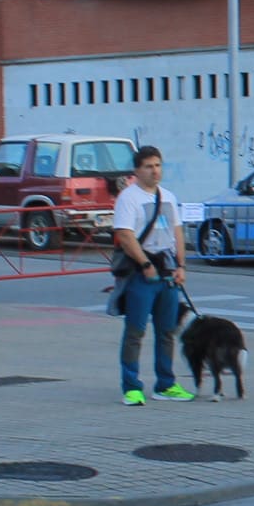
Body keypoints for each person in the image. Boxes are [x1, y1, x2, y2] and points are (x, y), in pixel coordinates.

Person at [110, 145, 194, 406]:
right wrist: (145, 264)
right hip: (142, 274)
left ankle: (166, 384)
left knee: (167, 331)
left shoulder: (168, 196)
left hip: (167, 273)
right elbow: (125, 235)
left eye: (158, 165)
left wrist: (181, 266)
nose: (155, 171)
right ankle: (131, 386)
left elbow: (177, 232)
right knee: (136, 330)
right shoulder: (129, 198)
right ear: (137, 170)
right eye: (149, 166)